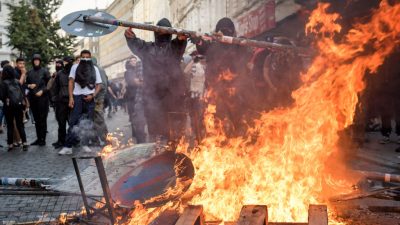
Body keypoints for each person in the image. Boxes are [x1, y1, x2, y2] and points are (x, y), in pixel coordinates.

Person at [125, 18, 187, 143]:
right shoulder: (170, 47)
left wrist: (130, 38)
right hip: (157, 99)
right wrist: (130, 37)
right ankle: (166, 156)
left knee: (166, 135)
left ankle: (167, 156)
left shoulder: (168, 47)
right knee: (167, 135)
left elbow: (135, 43)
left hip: (167, 98)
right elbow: (135, 42)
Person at [195, 17, 253, 137]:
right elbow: (202, 47)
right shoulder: (212, 46)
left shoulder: (238, 45)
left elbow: (246, 52)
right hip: (216, 94)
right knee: (217, 126)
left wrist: (241, 41)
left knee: (240, 125)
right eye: (222, 30)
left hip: (237, 94)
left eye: (227, 30)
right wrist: (199, 41)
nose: (225, 32)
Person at [58, 50, 102, 155]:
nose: (85, 59)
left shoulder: (95, 69)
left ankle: (85, 144)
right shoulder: (74, 67)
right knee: (74, 122)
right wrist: (71, 98)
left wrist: (93, 96)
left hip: (90, 98)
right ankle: (68, 146)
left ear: (90, 58)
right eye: (83, 57)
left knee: (88, 123)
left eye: (88, 57)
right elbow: (71, 82)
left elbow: (99, 84)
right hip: (77, 97)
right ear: (81, 57)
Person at [0, 65, 28, 151]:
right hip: (18, 105)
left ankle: (10, 144)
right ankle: (24, 143)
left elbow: (2, 96)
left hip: (8, 106)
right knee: (20, 125)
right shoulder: (17, 81)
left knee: (10, 125)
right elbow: (22, 94)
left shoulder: (3, 83)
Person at [26, 54, 50, 146]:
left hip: (43, 99)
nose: (36, 61)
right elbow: (26, 84)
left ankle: (43, 139)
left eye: (38, 60)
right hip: (33, 99)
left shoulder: (45, 71)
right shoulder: (30, 72)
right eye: (35, 60)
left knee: (42, 119)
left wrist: (42, 91)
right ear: (33, 61)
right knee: (36, 119)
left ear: (40, 61)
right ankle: (38, 138)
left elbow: (49, 84)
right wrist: (29, 85)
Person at [51, 57, 74, 149]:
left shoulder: (74, 73)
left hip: (72, 101)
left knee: (72, 122)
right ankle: (61, 141)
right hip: (61, 101)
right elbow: (55, 87)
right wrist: (54, 98)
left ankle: (73, 140)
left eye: (68, 62)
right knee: (61, 122)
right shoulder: (60, 74)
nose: (66, 63)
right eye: (65, 62)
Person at [124, 56, 146, 143]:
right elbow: (132, 82)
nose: (134, 62)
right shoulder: (128, 72)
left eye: (135, 60)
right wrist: (139, 82)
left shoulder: (139, 69)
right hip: (132, 97)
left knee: (139, 116)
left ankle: (139, 133)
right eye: (132, 61)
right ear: (129, 63)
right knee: (134, 116)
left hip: (138, 96)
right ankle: (136, 133)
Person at [92, 57, 109, 145]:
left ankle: (105, 139)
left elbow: (102, 85)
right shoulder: (94, 69)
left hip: (98, 98)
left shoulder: (98, 70)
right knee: (94, 119)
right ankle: (97, 140)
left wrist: (95, 95)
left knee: (99, 119)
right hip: (95, 98)